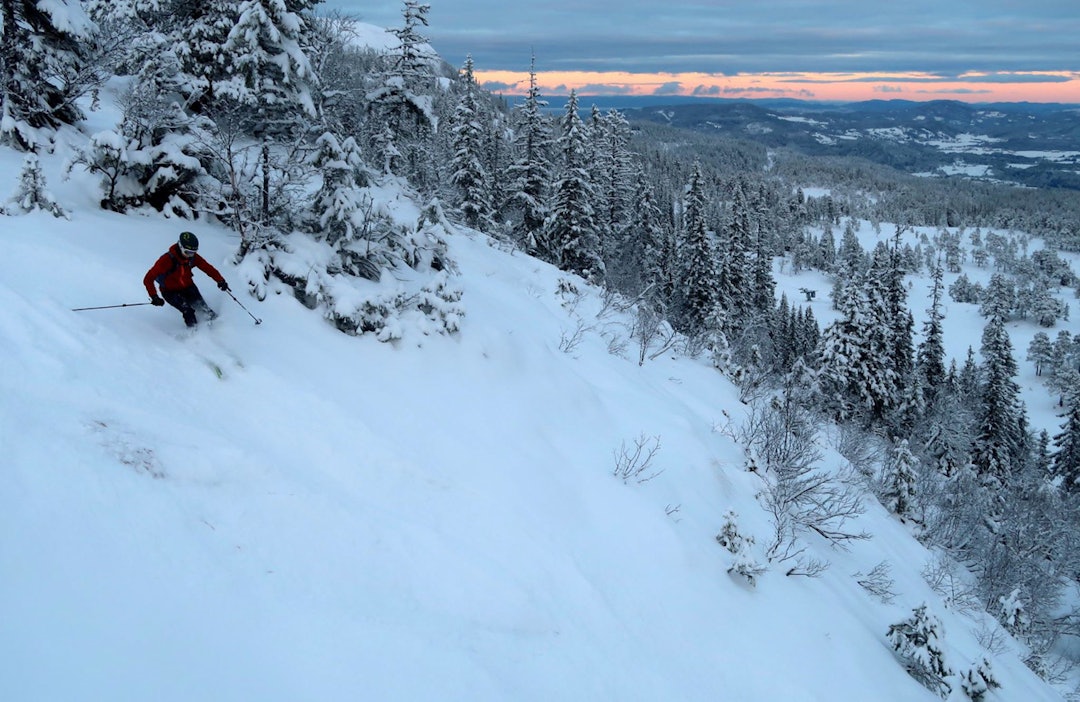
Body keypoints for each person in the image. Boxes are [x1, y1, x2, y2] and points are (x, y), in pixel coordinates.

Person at [144, 231, 230, 327]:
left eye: (193, 253)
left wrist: (220, 280)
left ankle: (218, 328)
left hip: (188, 287)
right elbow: (148, 279)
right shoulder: (166, 260)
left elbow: (207, 268)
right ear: (180, 247)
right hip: (170, 291)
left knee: (204, 309)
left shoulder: (192, 258)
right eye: (188, 252)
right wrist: (154, 297)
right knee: (188, 310)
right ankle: (194, 334)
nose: (190, 255)